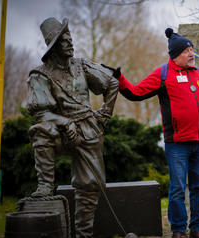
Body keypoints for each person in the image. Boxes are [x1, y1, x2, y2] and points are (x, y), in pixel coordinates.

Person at [102, 28, 199, 238]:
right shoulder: (163, 74)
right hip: (178, 144)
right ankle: (178, 230)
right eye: (187, 51)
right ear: (175, 55)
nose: (192, 53)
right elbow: (136, 93)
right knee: (177, 189)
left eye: (192, 49)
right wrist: (119, 78)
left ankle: (197, 228)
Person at [26, 17, 119, 237]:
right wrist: (64, 121)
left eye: (70, 38)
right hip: (59, 132)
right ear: (53, 47)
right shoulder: (40, 75)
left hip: (88, 128)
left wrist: (104, 115)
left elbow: (112, 83)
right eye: (64, 40)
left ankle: (83, 234)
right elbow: (41, 113)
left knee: (91, 185)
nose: (70, 43)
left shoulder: (81, 65)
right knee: (41, 132)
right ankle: (45, 187)